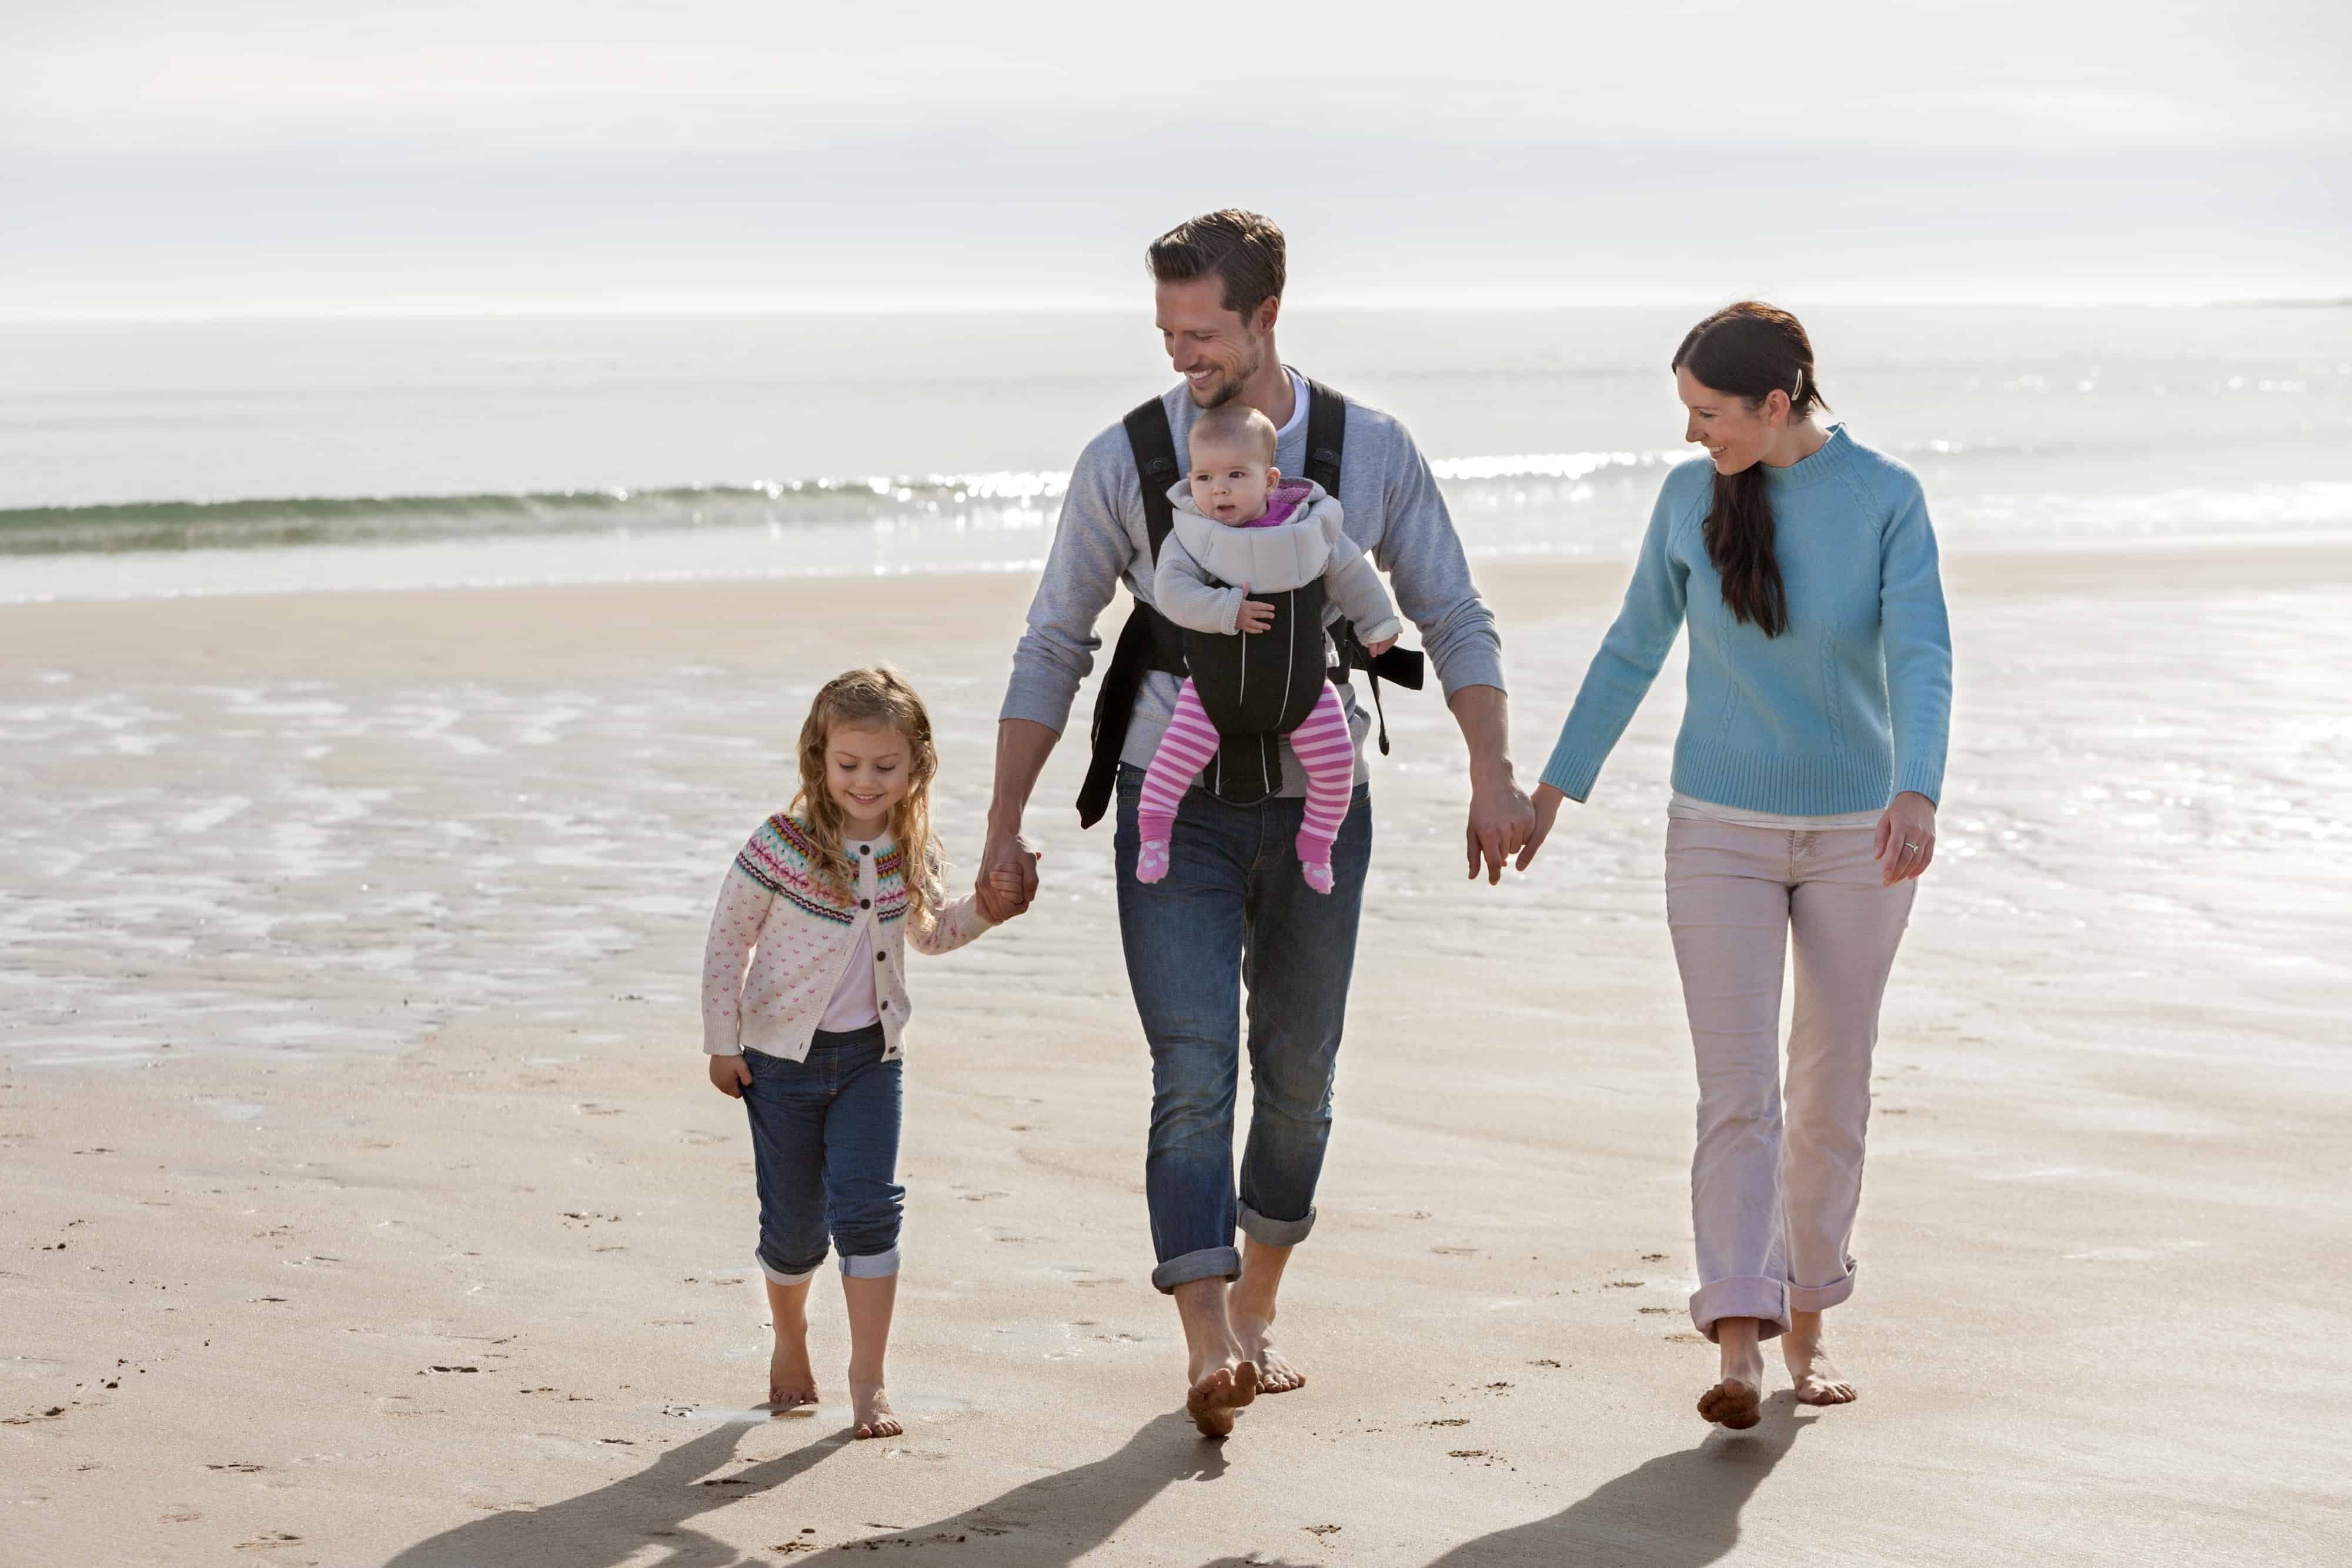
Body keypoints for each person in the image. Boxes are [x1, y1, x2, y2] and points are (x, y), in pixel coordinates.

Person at [977, 209, 1534, 1437]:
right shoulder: (1123, 460)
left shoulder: (1366, 449)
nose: (1183, 357)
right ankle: (1202, 1337)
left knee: (1296, 1077)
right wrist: (1002, 825)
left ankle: (1259, 1306)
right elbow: (1053, 642)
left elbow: (1449, 613)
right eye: (1167, 332)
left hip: (1314, 808)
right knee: (1190, 1071)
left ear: (1267, 314)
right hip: (1168, 803)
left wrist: (1492, 770)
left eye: (1205, 332)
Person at [1518, 303, 1954, 1429]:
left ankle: (1809, 1322)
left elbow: (1921, 656)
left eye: (1707, 415)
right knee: (1738, 1094)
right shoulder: (1686, 502)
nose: (1691, 436)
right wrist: (1555, 786)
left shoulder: (1885, 500)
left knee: (1829, 1086)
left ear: (1777, 403)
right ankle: (1739, 1344)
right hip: (1717, 831)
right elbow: (1631, 647)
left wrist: (1920, 786)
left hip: (1862, 836)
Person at [699, 666, 1024, 1439]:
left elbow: (931, 932)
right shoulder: (779, 846)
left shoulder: (909, 849)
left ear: (916, 765)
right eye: (849, 764)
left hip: (873, 1064)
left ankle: (869, 1380)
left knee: (870, 1211)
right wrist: (721, 1043)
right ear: (821, 757)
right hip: (777, 1065)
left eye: (885, 765)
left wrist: (988, 909)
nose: (866, 781)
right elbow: (726, 942)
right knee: (795, 1230)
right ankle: (789, 1334)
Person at [1138, 403, 1402, 894]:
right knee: (1173, 758)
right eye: (1203, 476)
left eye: (1236, 474)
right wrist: (1225, 611)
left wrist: (1378, 621)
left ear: (1271, 479)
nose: (1218, 488)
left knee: (1336, 762)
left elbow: (1351, 574)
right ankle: (1154, 833)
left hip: (1302, 687)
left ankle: (1317, 845)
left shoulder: (1307, 529)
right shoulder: (1193, 536)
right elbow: (1171, 593)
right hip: (1214, 691)